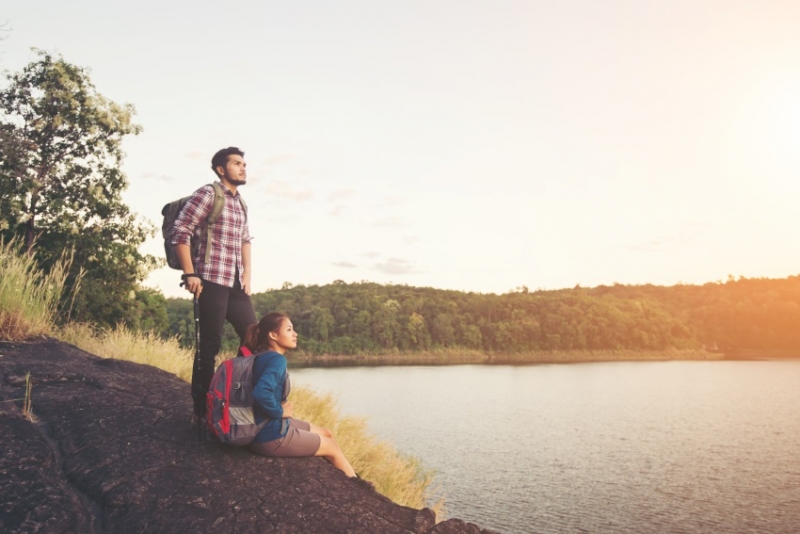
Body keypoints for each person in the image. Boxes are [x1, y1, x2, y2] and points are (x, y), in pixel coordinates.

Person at [170, 147, 257, 425]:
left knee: (254, 338)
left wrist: (247, 275)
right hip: (209, 278)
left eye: (244, 164)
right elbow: (180, 231)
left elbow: (245, 239)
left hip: (234, 282)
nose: (243, 168)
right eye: (236, 163)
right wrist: (190, 273)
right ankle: (201, 410)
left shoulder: (241, 203)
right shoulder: (207, 194)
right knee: (210, 345)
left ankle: (234, 395)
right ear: (221, 169)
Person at [244, 312, 360, 479]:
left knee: (326, 433)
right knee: (332, 447)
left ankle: (343, 478)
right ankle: (357, 489)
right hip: (269, 436)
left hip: (261, 427)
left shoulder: (258, 357)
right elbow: (261, 393)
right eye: (289, 329)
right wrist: (280, 411)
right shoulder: (277, 360)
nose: (295, 334)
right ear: (273, 335)